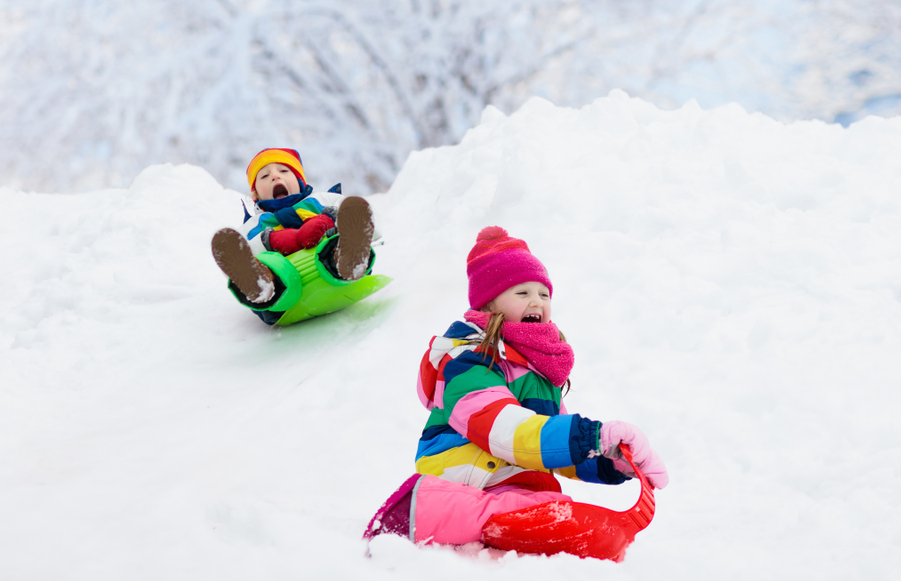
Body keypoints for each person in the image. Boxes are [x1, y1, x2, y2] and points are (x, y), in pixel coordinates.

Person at [364, 226, 667, 546]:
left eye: (544, 294)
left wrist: (609, 457)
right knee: (544, 510)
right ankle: (421, 508)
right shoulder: (469, 360)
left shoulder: (538, 370)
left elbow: (550, 447)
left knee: (548, 508)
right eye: (522, 293)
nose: (536, 301)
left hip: (511, 480)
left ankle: (525, 517)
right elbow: (501, 426)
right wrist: (589, 435)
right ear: (489, 305)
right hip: (468, 474)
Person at [211, 148, 381, 325]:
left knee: (333, 241)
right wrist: (269, 241)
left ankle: (349, 260)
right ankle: (261, 285)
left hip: (335, 267)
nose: (275, 177)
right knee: (271, 265)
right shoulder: (255, 224)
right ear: (255, 194)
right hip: (283, 298)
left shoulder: (322, 201)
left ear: (300, 181)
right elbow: (236, 264)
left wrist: (329, 220)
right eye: (264, 176)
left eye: (284, 171)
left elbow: (370, 223)